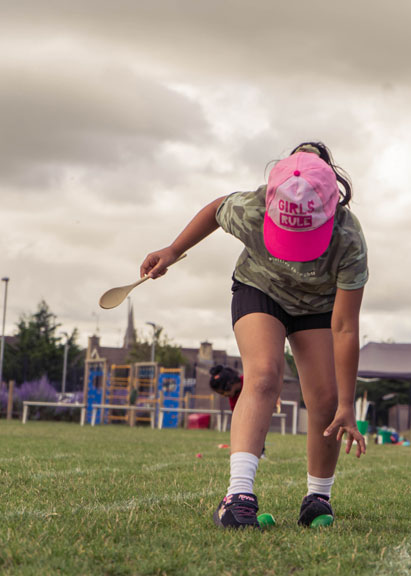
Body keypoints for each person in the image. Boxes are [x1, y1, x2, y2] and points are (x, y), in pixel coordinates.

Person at [141, 143, 368, 530]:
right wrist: (174, 249)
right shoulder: (252, 208)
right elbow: (215, 210)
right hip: (259, 288)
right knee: (263, 375)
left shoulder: (348, 239)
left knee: (326, 399)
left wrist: (347, 403)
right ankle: (238, 496)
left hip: (316, 304)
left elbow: (345, 326)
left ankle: (318, 498)